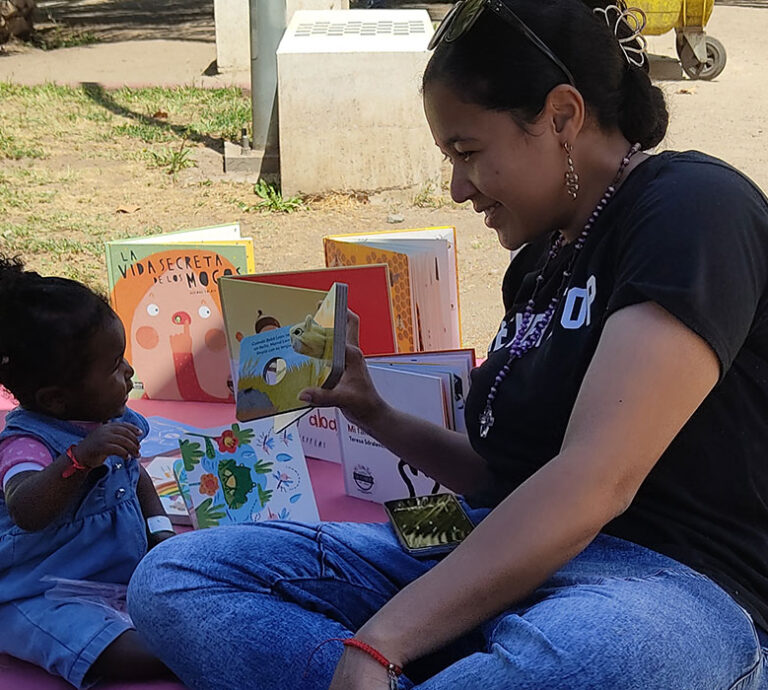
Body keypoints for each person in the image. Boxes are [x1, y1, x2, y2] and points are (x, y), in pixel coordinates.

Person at [127, 0, 768, 688]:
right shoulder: (538, 261)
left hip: (665, 584)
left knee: (601, 654)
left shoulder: (691, 208)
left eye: (467, 152)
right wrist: (373, 411)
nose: (458, 188)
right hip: (498, 545)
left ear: (561, 117)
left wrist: (383, 640)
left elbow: (594, 480)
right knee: (177, 576)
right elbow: (502, 478)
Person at [0, 255, 176, 688]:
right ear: (57, 399)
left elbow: (134, 476)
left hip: (118, 574)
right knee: (105, 648)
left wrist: (161, 534)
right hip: (38, 590)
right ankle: (182, 652)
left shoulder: (112, 417)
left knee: (195, 588)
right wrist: (78, 460)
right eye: (115, 365)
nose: (130, 371)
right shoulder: (27, 443)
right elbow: (26, 508)